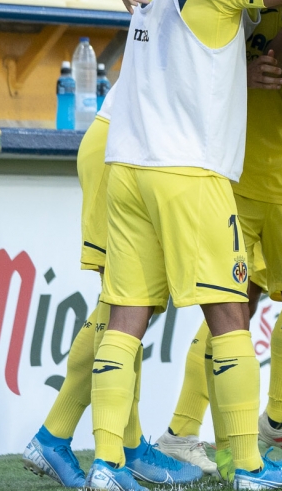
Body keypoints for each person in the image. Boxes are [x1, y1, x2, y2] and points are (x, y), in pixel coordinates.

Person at [91, 0, 282, 491]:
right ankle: (249, 467)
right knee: (230, 316)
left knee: (124, 320)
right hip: (189, 173)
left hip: (129, 168)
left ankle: (105, 466)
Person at [21, 82, 206, 487]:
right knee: (125, 305)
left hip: (136, 146)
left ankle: (97, 442)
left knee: (126, 306)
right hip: (127, 148)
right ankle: (97, 444)